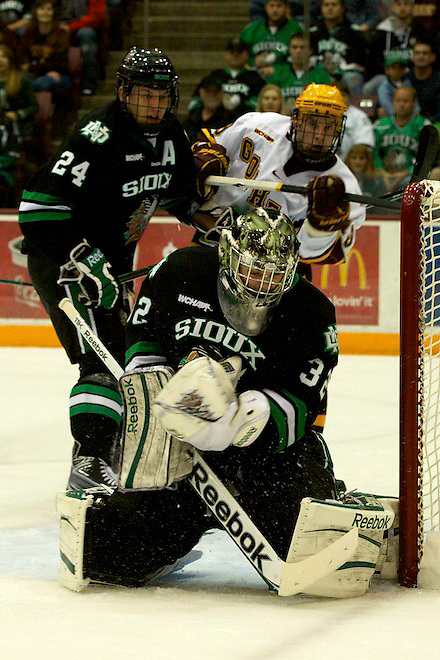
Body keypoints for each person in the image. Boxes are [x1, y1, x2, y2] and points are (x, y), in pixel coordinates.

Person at [56, 206, 398, 597]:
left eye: (274, 275)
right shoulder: (179, 272)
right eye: (254, 271)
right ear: (228, 257)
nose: (263, 285)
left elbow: (305, 400)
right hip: (181, 449)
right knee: (107, 556)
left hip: (271, 460)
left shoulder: (312, 312)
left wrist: (254, 416)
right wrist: (162, 390)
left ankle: (347, 504)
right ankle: (171, 538)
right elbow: (143, 335)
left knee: (312, 553)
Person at [18, 47, 199, 489]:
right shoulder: (97, 135)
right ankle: (90, 459)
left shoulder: (172, 135)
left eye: (162, 96)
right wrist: (82, 256)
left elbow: (181, 200)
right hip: (64, 261)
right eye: (144, 95)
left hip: (111, 266)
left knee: (129, 356)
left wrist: (220, 224)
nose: (154, 105)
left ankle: (107, 446)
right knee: (99, 358)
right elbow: (37, 210)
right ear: (123, 92)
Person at [191, 83, 366, 268]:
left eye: (329, 127)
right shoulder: (260, 125)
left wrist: (320, 230)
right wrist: (207, 159)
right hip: (215, 241)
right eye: (312, 124)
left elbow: (330, 254)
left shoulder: (345, 186)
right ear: (296, 120)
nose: (319, 136)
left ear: (339, 130)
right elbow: (211, 141)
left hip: (277, 272)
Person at [187, 39, 265, 121]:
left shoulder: (255, 77)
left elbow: (260, 102)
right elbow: (195, 100)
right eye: (232, 52)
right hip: (215, 121)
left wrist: (240, 104)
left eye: (239, 52)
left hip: (244, 121)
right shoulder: (215, 75)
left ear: (247, 55)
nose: (235, 55)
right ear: (226, 54)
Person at [373, 85, 430, 184]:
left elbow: (426, 158)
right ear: (392, 102)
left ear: (414, 104)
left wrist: (407, 173)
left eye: (405, 101)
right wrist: (381, 172)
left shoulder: (424, 126)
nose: (401, 104)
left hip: (412, 177)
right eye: (398, 100)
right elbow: (373, 153)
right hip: (382, 175)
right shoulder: (380, 125)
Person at [309, 0, 368, 95]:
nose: (330, 8)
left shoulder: (354, 33)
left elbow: (358, 63)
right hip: (318, 73)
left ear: (342, 8)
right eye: (326, 5)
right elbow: (308, 59)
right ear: (321, 8)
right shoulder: (312, 33)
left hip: (345, 75)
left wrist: (337, 75)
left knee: (353, 78)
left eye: (334, 5)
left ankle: (352, 109)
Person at [267, 31, 333, 114]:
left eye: (302, 47)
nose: (298, 51)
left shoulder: (322, 76)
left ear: (310, 50)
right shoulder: (278, 73)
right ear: (289, 50)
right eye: (294, 47)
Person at [240, 0, 302, 78]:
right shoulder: (251, 30)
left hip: (285, 78)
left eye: (279, 6)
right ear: (265, 7)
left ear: (286, 8)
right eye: (272, 6)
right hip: (254, 76)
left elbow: (301, 57)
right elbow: (240, 56)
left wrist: (278, 70)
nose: (275, 10)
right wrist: (252, 63)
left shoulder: (296, 29)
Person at [58, 0, 107, 95]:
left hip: (82, 27)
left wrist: (70, 27)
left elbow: (95, 18)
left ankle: (88, 84)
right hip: (58, 26)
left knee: (86, 35)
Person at [182, 73, 232, 145]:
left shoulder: (229, 120)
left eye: (215, 91)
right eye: (208, 91)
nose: (212, 95)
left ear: (222, 93)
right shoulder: (192, 117)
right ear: (201, 92)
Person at [335, 82, 375, 160]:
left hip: (350, 165)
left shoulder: (360, 116)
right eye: (336, 95)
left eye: (343, 95)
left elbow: (364, 145)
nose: (340, 98)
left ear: (349, 98)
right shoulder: (323, 116)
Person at [408, 39, 440, 123]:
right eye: (417, 53)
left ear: (433, 57)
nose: (421, 56)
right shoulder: (405, 78)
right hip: (408, 124)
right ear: (412, 57)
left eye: (425, 53)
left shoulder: (438, 80)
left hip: (434, 123)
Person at [376, 51, 414, 117]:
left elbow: (413, 98)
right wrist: (397, 115)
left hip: (407, 111)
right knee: (382, 111)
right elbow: (385, 103)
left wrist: (416, 111)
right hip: (392, 113)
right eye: (393, 67)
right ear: (386, 70)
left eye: (400, 68)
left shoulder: (407, 83)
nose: (397, 70)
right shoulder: (384, 86)